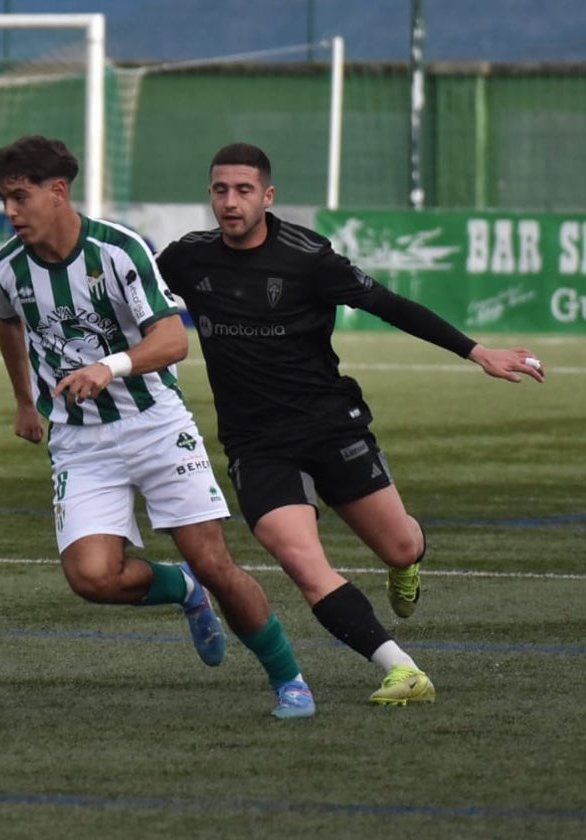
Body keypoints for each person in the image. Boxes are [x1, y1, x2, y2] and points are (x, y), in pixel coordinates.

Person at [157, 142, 546, 706]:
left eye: (243, 191)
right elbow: (130, 293)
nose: (230, 202)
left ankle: (407, 560)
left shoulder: (307, 256)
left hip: (330, 426)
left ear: (268, 196)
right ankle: (401, 669)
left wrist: (476, 350)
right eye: (220, 190)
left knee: (399, 545)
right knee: (299, 559)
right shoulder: (187, 257)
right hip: (256, 442)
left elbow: (389, 305)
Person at [0, 135, 315, 719]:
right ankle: (181, 590)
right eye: (5, 200)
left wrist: (106, 367)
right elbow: (7, 324)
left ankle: (289, 678)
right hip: (78, 440)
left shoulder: (117, 251)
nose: (11, 212)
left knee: (215, 563)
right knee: (91, 578)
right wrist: (23, 402)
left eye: (20, 197)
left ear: (57, 192)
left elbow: (173, 339)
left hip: (154, 426)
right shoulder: (6, 268)